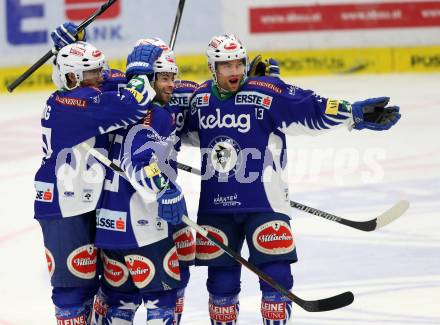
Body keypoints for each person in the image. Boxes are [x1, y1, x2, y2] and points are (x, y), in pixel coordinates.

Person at [185, 34, 401, 324]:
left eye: (239, 63)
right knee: (221, 286)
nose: (234, 71)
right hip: (216, 208)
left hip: (264, 204)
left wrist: (355, 113)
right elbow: (171, 127)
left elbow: (309, 106)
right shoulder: (199, 100)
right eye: (226, 66)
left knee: (277, 278)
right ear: (213, 68)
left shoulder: (266, 91)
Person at [34, 22, 163, 324]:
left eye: (99, 70)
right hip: (63, 205)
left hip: (87, 199)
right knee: (72, 289)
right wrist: (141, 73)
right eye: (91, 73)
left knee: (105, 284)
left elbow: (112, 84)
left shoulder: (80, 94)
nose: (99, 78)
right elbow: (130, 104)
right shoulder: (71, 103)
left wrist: (69, 50)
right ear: (70, 77)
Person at [91, 38, 195, 325]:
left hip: (108, 225)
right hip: (144, 226)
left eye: (173, 78)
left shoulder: (114, 104)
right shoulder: (158, 115)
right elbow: (139, 163)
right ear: (148, 78)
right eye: (163, 78)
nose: (171, 85)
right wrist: (165, 187)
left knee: (119, 302)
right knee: (162, 301)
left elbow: (102, 77)